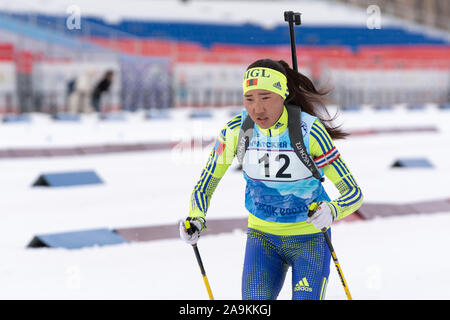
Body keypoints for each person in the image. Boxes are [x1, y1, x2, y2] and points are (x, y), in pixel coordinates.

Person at [179, 59, 363, 300]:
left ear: (283, 95)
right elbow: (206, 184)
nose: (257, 109)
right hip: (262, 239)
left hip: (310, 239)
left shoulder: (309, 131)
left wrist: (333, 210)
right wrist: (195, 217)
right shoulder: (237, 131)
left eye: (265, 98)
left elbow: (353, 192)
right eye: (249, 99)